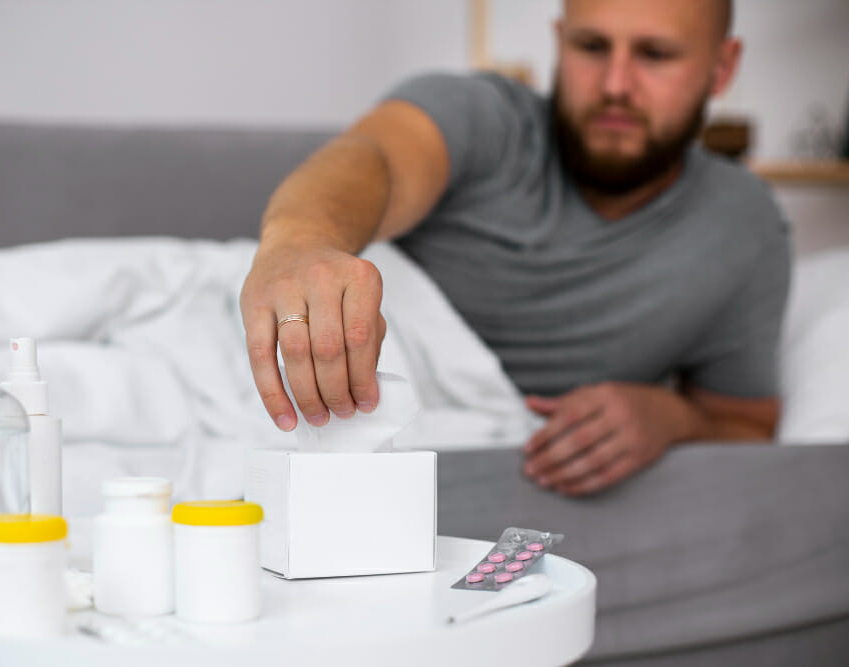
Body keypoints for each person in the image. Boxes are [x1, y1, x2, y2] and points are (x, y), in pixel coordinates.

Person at [239, 0, 790, 496]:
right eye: (591, 46)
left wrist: (671, 417)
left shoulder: (743, 227)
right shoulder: (484, 117)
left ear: (723, 67)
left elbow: (743, 423)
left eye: (655, 54)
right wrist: (301, 244)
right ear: (558, 39)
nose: (616, 84)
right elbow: (374, 157)